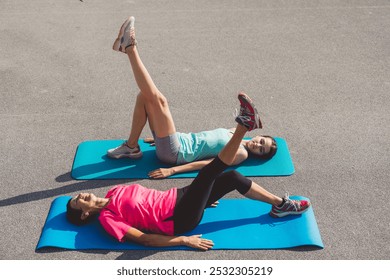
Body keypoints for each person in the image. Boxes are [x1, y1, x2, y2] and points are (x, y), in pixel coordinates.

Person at [66, 21, 311, 249]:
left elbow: (152, 199)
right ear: (85, 214)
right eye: (78, 201)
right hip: (179, 219)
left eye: (76, 195)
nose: (81, 194)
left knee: (233, 177)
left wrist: (201, 196)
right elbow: (142, 238)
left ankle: (280, 206)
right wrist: (182, 240)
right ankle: (243, 125)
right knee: (209, 172)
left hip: (179, 198)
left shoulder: (112, 193)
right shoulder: (108, 219)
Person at [106, 16, 278, 179]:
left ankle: (130, 48)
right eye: (262, 141)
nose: (259, 145)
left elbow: (209, 164)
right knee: (144, 96)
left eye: (262, 150)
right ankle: (131, 147)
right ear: (259, 135)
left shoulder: (241, 153)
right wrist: (161, 134)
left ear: (258, 156)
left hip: (176, 154)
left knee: (160, 100)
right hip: (177, 141)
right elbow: (201, 140)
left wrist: (172, 170)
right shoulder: (233, 132)